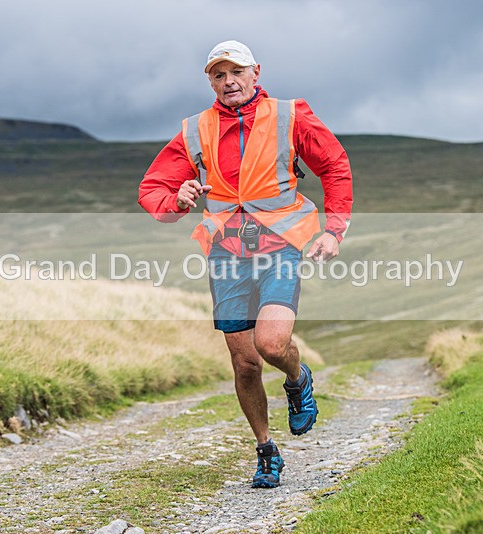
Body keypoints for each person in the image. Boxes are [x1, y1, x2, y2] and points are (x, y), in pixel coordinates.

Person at [138, 40, 353, 488]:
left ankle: (298, 377)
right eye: (218, 74)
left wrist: (334, 230)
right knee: (245, 364)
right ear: (210, 81)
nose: (228, 81)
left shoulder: (290, 115)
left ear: (256, 72)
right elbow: (153, 189)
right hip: (227, 254)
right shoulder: (195, 130)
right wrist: (176, 199)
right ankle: (266, 450)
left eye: (236, 72)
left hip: (280, 247)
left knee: (272, 345)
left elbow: (334, 165)